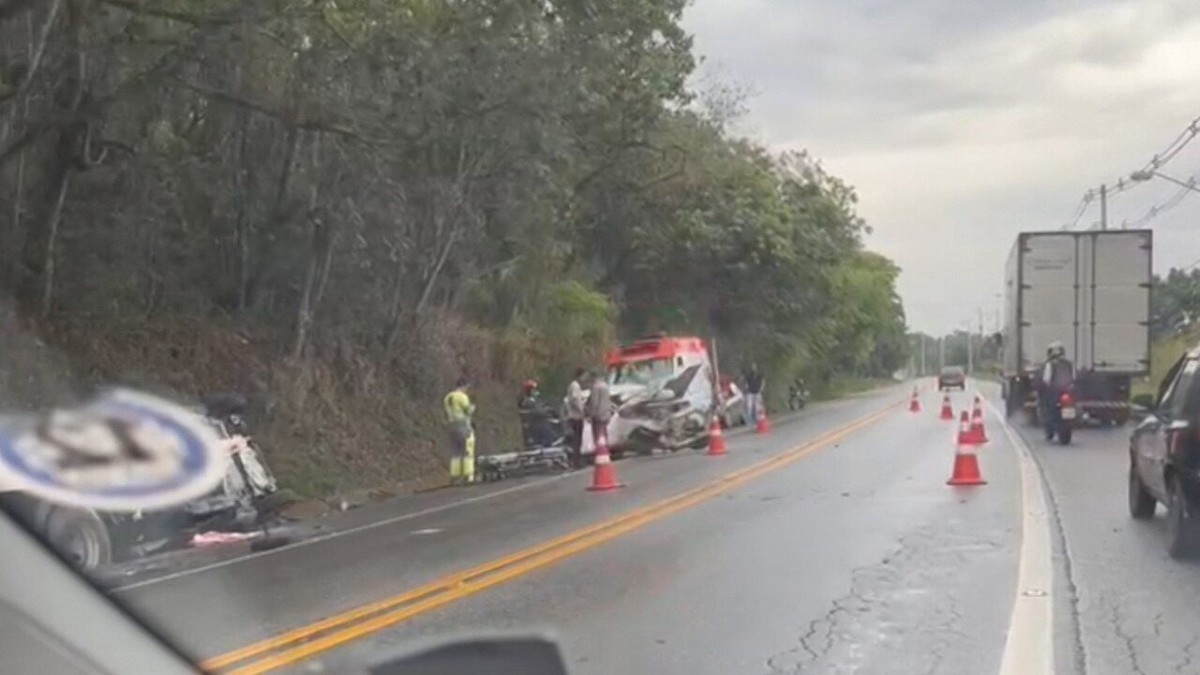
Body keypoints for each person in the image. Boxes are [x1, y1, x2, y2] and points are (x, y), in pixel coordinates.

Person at [443, 377, 476, 485]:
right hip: (463, 425)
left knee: (456, 452)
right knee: (467, 450)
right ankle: (468, 475)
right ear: (463, 386)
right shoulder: (462, 397)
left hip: (452, 426)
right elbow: (467, 410)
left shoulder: (448, 397)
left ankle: (455, 476)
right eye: (466, 387)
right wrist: (473, 408)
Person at [1039, 341, 1075, 438]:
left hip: (1054, 392)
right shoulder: (1068, 363)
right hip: (1068, 390)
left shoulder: (1050, 364)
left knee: (1048, 408)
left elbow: (1046, 379)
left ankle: (1050, 427)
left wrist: (1045, 386)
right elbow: (1073, 377)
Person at [585, 370, 613, 451]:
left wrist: (590, 415)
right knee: (604, 435)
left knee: (598, 436)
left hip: (598, 416)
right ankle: (605, 452)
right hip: (606, 414)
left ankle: (600, 453)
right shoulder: (605, 386)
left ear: (592, 378)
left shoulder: (595, 387)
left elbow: (594, 403)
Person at [565, 368, 587, 467]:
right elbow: (574, 399)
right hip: (576, 416)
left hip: (575, 415)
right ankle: (576, 461)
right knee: (577, 440)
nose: (584, 378)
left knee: (577, 439)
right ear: (580, 375)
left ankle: (576, 460)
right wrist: (581, 410)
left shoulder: (574, 385)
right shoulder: (575, 386)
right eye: (584, 376)